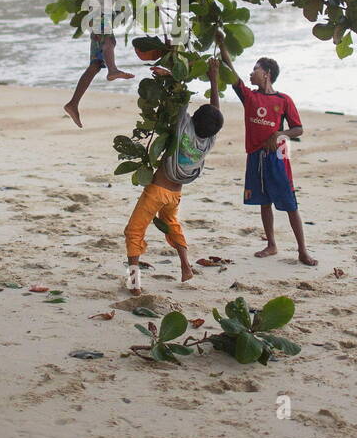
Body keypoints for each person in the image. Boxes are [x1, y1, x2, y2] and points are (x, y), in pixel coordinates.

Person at [123, 59, 223, 290]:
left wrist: (170, 74)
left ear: (193, 118)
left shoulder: (182, 127)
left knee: (134, 232)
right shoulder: (207, 142)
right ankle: (186, 266)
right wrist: (214, 80)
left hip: (157, 191)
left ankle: (134, 283)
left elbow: (180, 99)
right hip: (176, 194)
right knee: (172, 223)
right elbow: (214, 112)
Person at [218, 47, 317, 266]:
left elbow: (298, 129)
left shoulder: (283, 100)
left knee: (290, 202)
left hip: (278, 157)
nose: (251, 73)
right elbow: (231, 72)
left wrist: (279, 133)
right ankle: (271, 244)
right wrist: (223, 45)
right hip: (255, 155)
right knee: (264, 201)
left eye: (255, 69)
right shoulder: (249, 97)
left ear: (267, 73)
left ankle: (302, 250)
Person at [63, 0, 133, 128]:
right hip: (101, 11)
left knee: (95, 65)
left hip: (100, 11)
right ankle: (113, 70)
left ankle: (73, 103)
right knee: (108, 41)